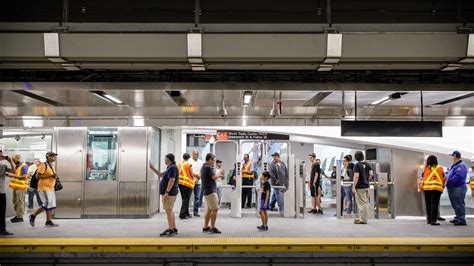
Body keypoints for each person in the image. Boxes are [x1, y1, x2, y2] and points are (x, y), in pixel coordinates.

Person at [150, 153, 180, 237]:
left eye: (165, 158)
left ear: (169, 159)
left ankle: (171, 229)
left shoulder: (173, 168)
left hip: (169, 193)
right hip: (170, 193)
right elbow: (161, 175)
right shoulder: (170, 168)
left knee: (168, 211)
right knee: (170, 210)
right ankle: (173, 228)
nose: (164, 160)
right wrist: (152, 168)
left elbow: (172, 180)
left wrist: (166, 192)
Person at [29, 152, 59, 228]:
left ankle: (48, 221)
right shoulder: (43, 165)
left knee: (50, 205)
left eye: (55, 156)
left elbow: (51, 176)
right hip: (44, 188)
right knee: (47, 204)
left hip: (50, 188)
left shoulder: (51, 165)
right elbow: (38, 176)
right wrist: (51, 175)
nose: (55, 157)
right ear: (48, 157)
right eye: (53, 156)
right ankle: (33, 215)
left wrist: (54, 176)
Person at [201, 153, 225, 234]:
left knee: (209, 209)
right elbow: (214, 177)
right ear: (210, 159)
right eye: (213, 160)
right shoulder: (207, 168)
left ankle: (205, 226)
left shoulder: (203, 167)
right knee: (215, 209)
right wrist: (220, 172)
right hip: (211, 191)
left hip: (207, 191)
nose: (214, 161)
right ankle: (212, 227)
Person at [421, 155, 445, 226]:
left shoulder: (425, 168)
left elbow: (423, 176)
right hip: (436, 189)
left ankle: (429, 220)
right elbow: (443, 177)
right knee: (434, 205)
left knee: (428, 204)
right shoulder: (440, 168)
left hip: (427, 188)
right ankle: (433, 221)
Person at [446, 151, 468, 226]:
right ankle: (458, 217)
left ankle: (461, 219)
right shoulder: (456, 165)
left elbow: (458, 177)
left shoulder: (460, 166)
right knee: (455, 204)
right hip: (453, 187)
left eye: (452, 156)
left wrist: (448, 181)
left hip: (457, 187)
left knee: (459, 203)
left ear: (455, 156)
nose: (451, 158)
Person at [352, 151, 373, 224]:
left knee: (362, 204)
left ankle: (363, 220)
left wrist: (353, 186)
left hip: (360, 187)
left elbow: (356, 176)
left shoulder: (357, 165)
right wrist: (367, 180)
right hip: (367, 186)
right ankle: (362, 218)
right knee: (365, 202)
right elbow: (371, 174)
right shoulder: (367, 164)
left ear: (356, 157)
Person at [0, 146, 15, 235]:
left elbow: (14, 171)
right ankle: (2, 230)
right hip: (1, 192)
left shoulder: (3, 165)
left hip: (1, 191)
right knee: (1, 211)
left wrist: (10, 161)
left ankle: (2, 229)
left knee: (2, 211)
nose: (2, 154)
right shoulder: (2, 165)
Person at [9, 154, 29, 223]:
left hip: (21, 188)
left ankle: (20, 217)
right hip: (16, 187)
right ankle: (17, 215)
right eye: (13, 160)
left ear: (18, 158)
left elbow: (24, 177)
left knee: (20, 202)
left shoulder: (23, 166)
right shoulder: (17, 166)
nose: (13, 161)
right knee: (15, 201)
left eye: (14, 160)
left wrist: (13, 175)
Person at [177, 153, 194, 220]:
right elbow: (192, 174)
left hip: (180, 183)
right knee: (186, 199)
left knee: (184, 199)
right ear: (189, 158)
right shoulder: (188, 164)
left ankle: (186, 213)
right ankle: (182, 214)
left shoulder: (179, 164)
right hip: (187, 184)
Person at [190, 149, 203, 217]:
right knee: (188, 197)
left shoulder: (200, 162)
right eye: (195, 154)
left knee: (197, 197)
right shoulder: (189, 161)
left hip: (198, 182)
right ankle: (187, 212)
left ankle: (195, 211)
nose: (196, 155)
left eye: (197, 154)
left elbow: (201, 171)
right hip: (190, 181)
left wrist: (198, 178)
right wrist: (194, 178)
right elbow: (189, 171)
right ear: (192, 154)